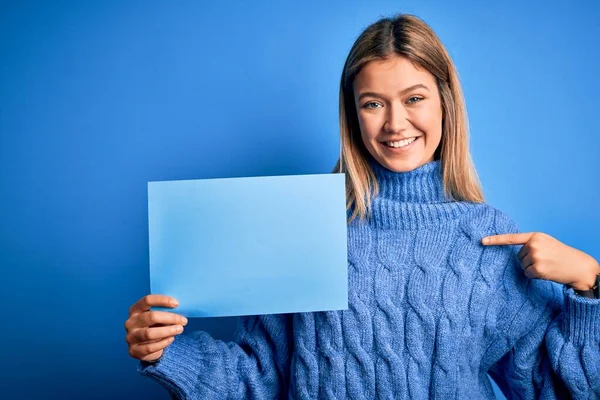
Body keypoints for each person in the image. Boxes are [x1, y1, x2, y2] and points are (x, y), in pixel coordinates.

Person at [125, 14, 600, 399]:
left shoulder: (491, 238)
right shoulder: (302, 223)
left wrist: (590, 285)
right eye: (373, 103)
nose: (396, 123)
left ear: (445, 103)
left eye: (414, 98)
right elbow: (259, 380)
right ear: (353, 112)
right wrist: (166, 351)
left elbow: (554, 387)